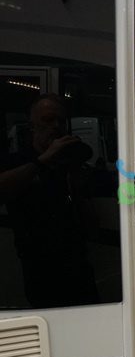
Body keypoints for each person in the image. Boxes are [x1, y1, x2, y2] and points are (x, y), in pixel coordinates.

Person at [0, 93, 98, 307]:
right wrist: (43, 161)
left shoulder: (68, 165)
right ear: (32, 126)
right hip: (39, 269)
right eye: (48, 120)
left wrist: (78, 185)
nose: (55, 126)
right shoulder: (18, 161)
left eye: (60, 121)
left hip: (78, 265)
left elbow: (90, 225)